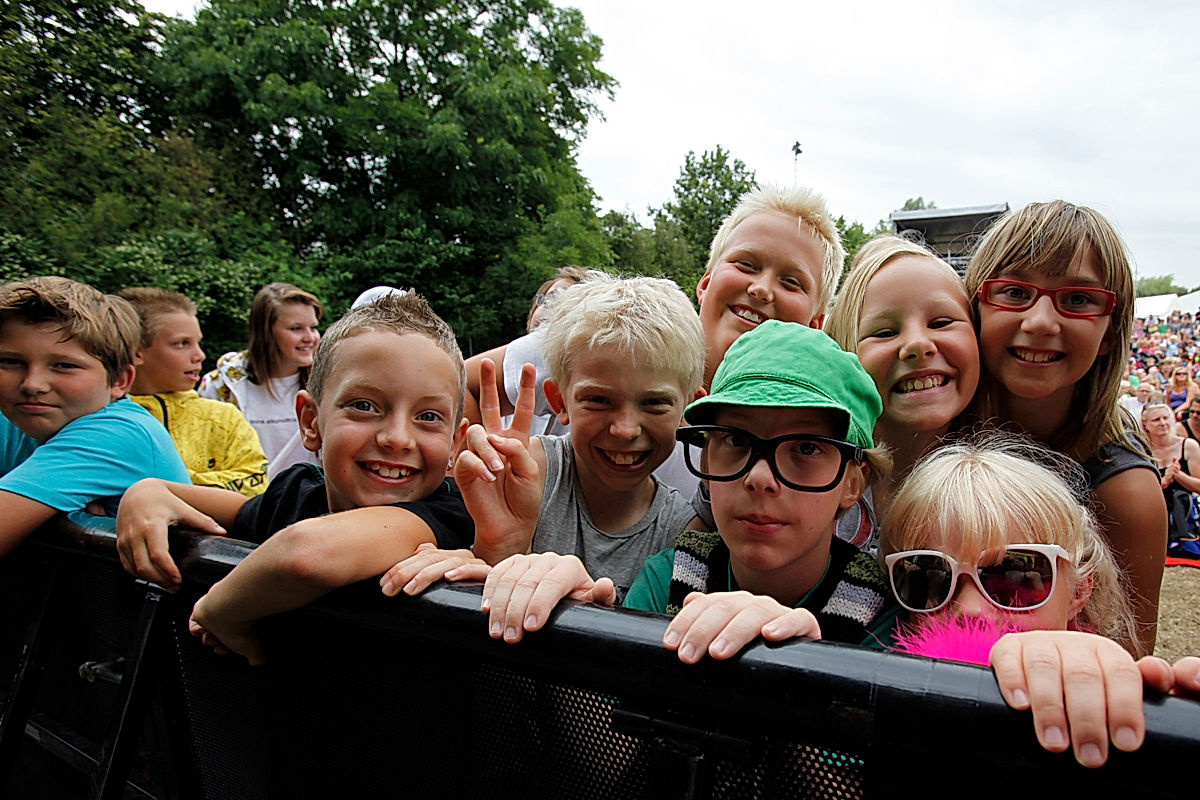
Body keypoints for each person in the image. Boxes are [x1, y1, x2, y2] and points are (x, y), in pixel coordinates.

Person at [386, 321, 899, 658]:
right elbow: (611, 757)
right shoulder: (669, 576)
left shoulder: (886, 612)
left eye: (806, 449)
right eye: (735, 440)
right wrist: (564, 617)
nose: (760, 477)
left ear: (854, 481)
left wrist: (809, 675)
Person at [115, 293, 474, 661]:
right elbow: (232, 510)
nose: (397, 438)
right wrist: (147, 491)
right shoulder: (299, 489)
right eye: (364, 406)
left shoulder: (450, 515)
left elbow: (307, 555)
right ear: (311, 421)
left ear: (454, 443)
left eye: (428, 416)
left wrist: (220, 612)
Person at [461, 184, 844, 497]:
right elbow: (459, 384)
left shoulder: (809, 436)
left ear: (815, 323)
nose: (761, 289)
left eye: (791, 282)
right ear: (706, 283)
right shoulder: (616, 338)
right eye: (746, 265)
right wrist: (460, 495)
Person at [879, 431, 1200, 768]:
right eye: (928, 576)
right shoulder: (879, 697)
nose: (969, 608)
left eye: (1013, 574)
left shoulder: (1121, 708)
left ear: (1079, 591)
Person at [963, 200, 1165, 657]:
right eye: (1014, 292)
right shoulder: (935, 423)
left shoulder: (1125, 494)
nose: (1039, 322)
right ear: (976, 305)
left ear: (1110, 332)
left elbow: (1124, 665)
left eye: (1077, 299)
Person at [456, 274, 705, 598]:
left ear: (689, 409)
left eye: (654, 403)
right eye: (599, 400)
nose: (625, 429)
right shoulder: (521, 476)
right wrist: (498, 544)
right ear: (560, 402)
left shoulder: (684, 531)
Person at [0, 277, 189, 557]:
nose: (32, 384)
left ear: (120, 381)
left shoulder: (120, 433)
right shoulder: (19, 415)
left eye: (64, 366)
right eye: (10, 362)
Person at [824, 235, 978, 552]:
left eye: (941, 322)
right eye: (884, 333)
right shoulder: (811, 486)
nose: (918, 345)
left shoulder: (1010, 492)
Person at [118, 288, 268, 497]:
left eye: (197, 342)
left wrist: (158, 484)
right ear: (135, 352)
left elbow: (255, 485)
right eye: (182, 344)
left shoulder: (223, 418)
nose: (199, 355)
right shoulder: (103, 417)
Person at [198, 282, 323, 477]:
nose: (310, 337)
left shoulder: (326, 383)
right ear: (266, 332)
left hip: (308, 501)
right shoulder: (221, 385)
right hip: (240, 502)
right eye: (296, 328)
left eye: (313, 327)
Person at [1141, 403, 1200, 550]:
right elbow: (1140, 493)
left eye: (1165, 418)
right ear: (1145, 424)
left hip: (1186, 509)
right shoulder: (1141, 450)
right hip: (1154, 507)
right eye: (1156, 420)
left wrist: (1179, 476)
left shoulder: (1188, 446)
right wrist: (1164, 482)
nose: (1163, 423)